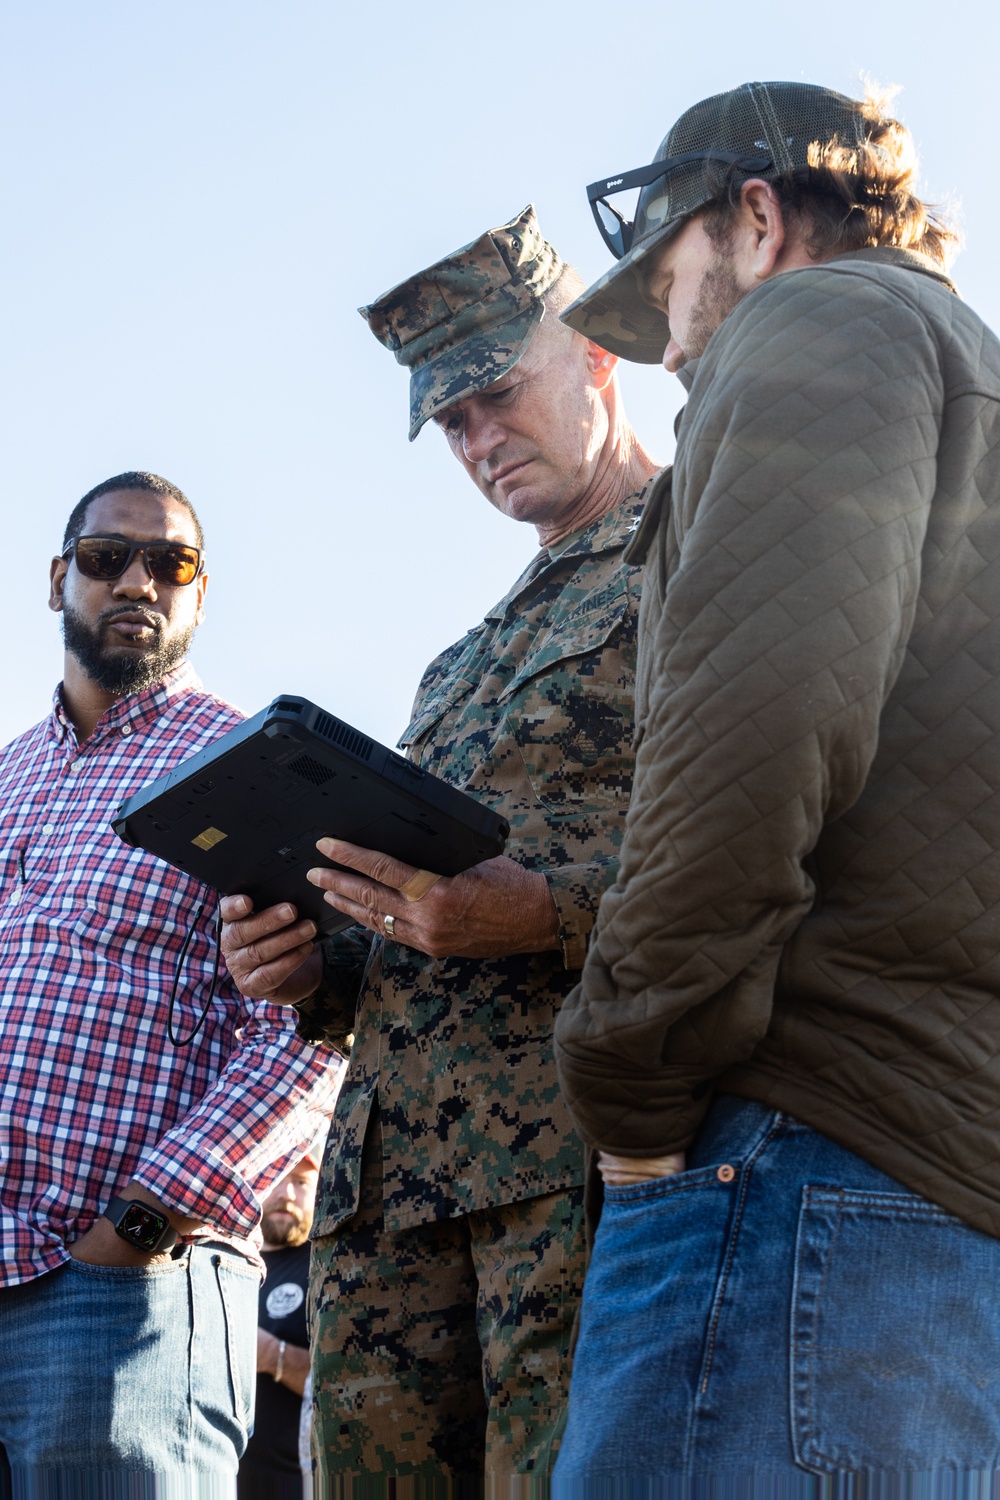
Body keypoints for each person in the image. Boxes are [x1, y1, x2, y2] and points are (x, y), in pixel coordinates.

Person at [551, 81, 1000, 1480]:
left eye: (674, 294)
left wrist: (628, 1084)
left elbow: (755, 732)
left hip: (803, 1154)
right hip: (942, 1183)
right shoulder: (972, 373)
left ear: (755, 217)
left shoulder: (817, 320)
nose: (677, 352)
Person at [221, 205, 659, 1484]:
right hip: (383, 1191)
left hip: (576, 1170)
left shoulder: (700, 555)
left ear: (593, 359)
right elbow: (410, 927)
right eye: (451, 423)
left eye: (495, 396)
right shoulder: (456, 662)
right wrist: (310, 967)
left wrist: (551, 916)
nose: (478, 441)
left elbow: (774, 846)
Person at [0, 472, 341, 1484]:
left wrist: (146, 1220)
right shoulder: (7, 779)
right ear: (61, 578)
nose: (139, 580)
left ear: (200, 593)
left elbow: (310, 1022)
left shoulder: (252, 769)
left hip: (123, 1290)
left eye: (171, 562)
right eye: (109, 558)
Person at [239, 1144, 323, 1499]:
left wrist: (272, 1354)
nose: (287, 1193)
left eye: (301, 1182)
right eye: (277, 1177)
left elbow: (349, 1380)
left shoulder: (326, 1267)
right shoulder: (226, 1262)